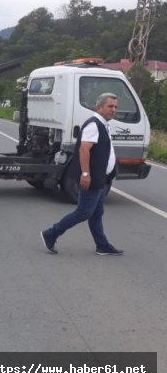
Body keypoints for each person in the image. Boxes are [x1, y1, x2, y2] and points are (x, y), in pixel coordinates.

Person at [41, 93, 123, 256]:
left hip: (100, 177)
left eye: (115, 107)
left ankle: (102, 245)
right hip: (91, 177)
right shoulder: (94, 125)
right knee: (83, 212)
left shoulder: (104, 124)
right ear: (99, 107)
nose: (113, 110)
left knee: (96, 213)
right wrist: (85, 174)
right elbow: (84, 149)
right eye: (110, 106)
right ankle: (51, 233)